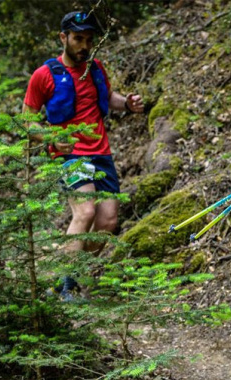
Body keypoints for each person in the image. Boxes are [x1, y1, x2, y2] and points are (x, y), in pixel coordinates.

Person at [22, 11, 144, 299]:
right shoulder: (45, 74)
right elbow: (28, 119)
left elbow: (108, 98)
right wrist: (50, 137)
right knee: (86, 211)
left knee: (107, 223)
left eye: (89, 40)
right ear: (63, 38)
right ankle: (67, 286)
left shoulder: (96, 68)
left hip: (101, 153)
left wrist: (126, 103)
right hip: (71, 153)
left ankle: (66, 274)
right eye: (78, 39)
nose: (84, 45)